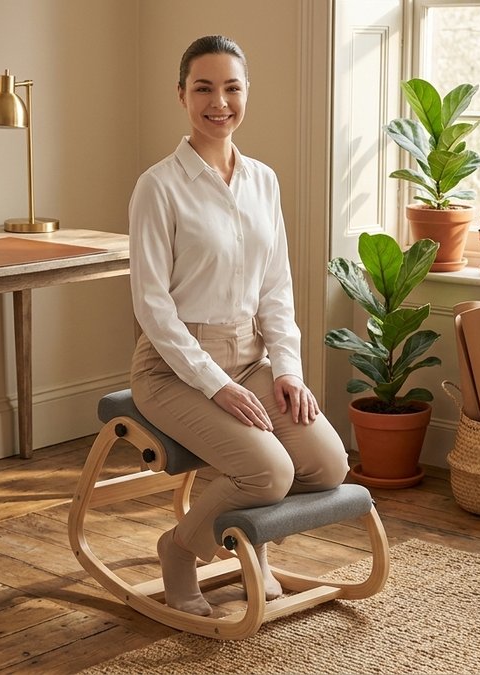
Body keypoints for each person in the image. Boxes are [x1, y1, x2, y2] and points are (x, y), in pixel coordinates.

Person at [128, 35, 349, 617]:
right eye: (203, 88)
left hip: (252, 358)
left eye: (231, 87)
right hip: (174, 367)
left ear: (247, 93)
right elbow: (152, 306)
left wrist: (289, 372)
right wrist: (216, 385)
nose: (218, 102)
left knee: (327, 464)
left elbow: (276, 287)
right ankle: (179, 550)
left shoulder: (263, 181)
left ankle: (248, 541)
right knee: (269, 469)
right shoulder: (158, 186)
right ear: (181, 95)